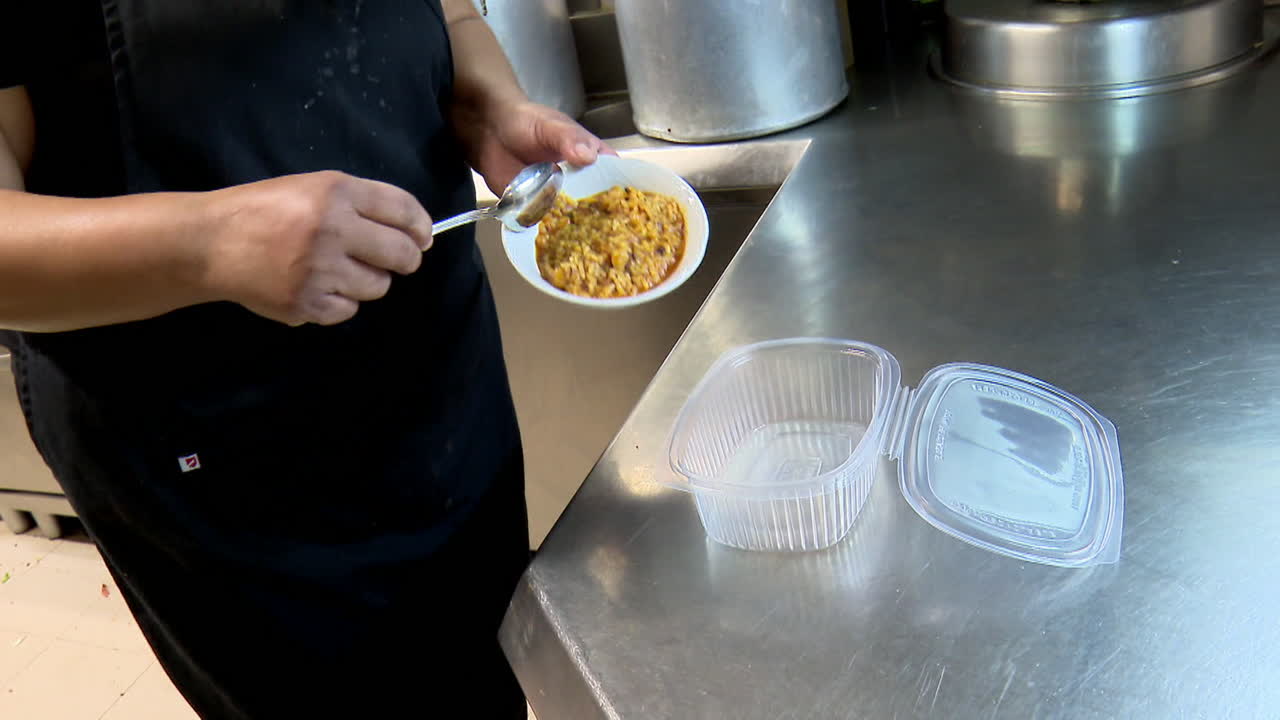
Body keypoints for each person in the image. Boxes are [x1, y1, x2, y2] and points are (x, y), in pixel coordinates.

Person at [0, 1, 610, 717]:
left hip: (439, 384)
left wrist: (487, 106)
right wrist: (209, 243)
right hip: (224, 460)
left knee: (488, 674)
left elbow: (449, 15)